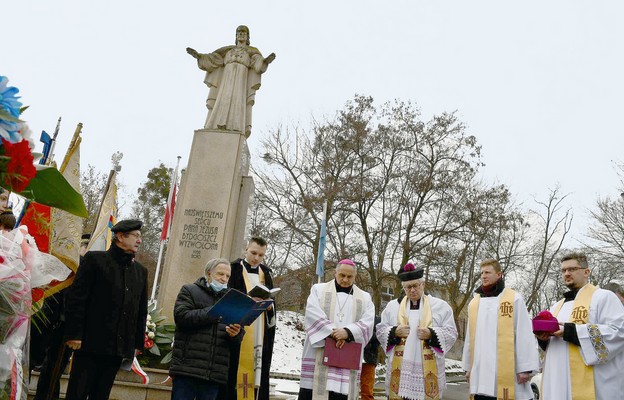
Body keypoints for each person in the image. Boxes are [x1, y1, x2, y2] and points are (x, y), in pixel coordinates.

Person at [63, 220, 148, 400]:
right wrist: (74, 334)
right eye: (135, 236)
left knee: (101, 394)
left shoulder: (140, 271)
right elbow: (77, 299)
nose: (139, 240)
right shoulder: (95, 260)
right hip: (89, 344)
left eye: (140, 236)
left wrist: (136, 344)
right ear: (120, 236)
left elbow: (140, 310)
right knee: (77, 393)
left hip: (117, 348)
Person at [535, 252, 624, 399]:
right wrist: (543, 338)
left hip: (593, 384)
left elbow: (618, 333)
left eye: (572, 269)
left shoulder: (603, 297)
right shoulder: (556, 306)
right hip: (558, 381)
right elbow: (551, 346)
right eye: (563, 270)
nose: (567, 273)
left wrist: (571, 331)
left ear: (586, 272)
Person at [377, 263, 457, 400]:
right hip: (401, 371)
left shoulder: (440, 306)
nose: (412, 290)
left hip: (426, 370)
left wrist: (432, 334)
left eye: (416, 285)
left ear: (423, 285)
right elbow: (380, 330)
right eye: (408, 287)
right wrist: (394, 331)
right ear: (403, 288)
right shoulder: (392, 307)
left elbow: (451, 333)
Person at [462, 258, 539, 400]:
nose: (483, 276)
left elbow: (524, 334)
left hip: (509, 371)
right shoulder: (475, 302)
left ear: (499, 274)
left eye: (487, 272)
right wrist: (468, 367)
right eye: (481, 273)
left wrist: (525, 368)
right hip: (481, 371)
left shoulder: (513, 299)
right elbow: (470, 337)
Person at [298, 259, 375, 400]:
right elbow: (312, 313)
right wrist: (333, 332)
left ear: (355, 276)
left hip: (347, 359)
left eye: (349, 276)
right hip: (319, 355)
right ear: (335, 273)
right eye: (342, 275)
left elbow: (368, 322)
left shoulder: (364, 298)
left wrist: (348, 332)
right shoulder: (318, 290)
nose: (345, 280)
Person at [169, 258, 243, 400]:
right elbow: (182, 318)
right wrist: (215, 312)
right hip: (187, 369)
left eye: (227, 276)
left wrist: (236, 334)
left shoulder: (232, 300)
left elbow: (238, 337)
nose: (224, 279)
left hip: (214, 373)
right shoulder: (189, 290)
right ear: (209, 274)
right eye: (220, 274)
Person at [187, 25, 276, 138]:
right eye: (239, 32)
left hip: (241, 79)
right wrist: (199, 56)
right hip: (226, 78)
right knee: (222, 99)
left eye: (244, 32)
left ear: (248, 36)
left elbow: (258, 63)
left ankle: (236, 125)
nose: (241, 34)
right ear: (236, 35)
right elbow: (214, 58)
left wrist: (265, 61)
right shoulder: (228, 50)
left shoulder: (252, 51)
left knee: (238, 99)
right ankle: (215, 124)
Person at [33, 233, 90, 400]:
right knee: (47, 367)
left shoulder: (85, 269)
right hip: (49, 321)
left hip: (63, 325)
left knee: (53, 370)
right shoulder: (64, 264)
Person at [225, 236, 276, 400]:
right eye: (253, 253)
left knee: (258, 370)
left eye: (261, 255)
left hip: (260, 330)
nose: (256, 258)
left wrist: (270, 306)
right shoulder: (233, 269)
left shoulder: (266, 273)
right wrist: (247, 301)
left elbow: (273, 303)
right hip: (239, 329)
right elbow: (226, 299)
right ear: (246, 249)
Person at [360, 315, 380, 400]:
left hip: (369, 358)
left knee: (367, 390)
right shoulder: (354, 315)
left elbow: (380, 337)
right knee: (348, 388)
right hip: (352, 357)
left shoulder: (376, 319)